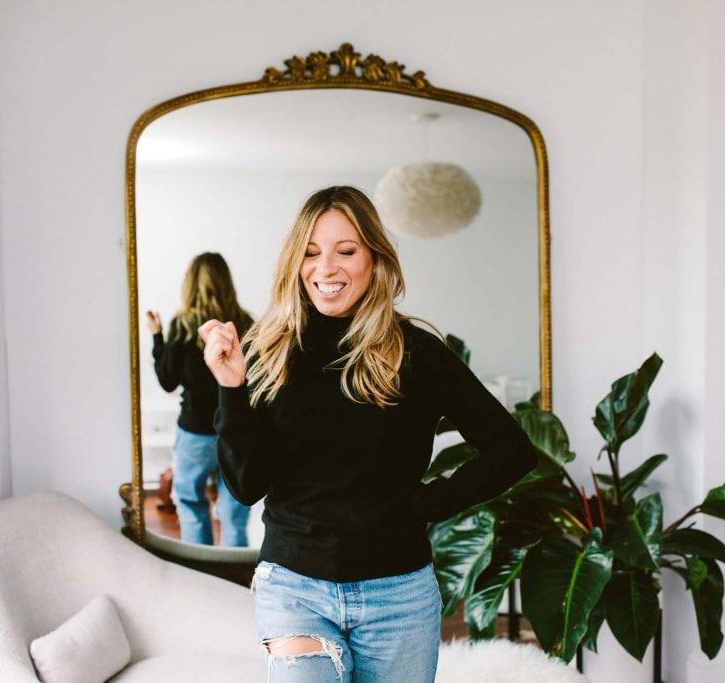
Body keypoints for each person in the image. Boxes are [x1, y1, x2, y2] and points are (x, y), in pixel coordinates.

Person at [198, 186, 539, 682]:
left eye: (346, 251)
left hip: (398, 595)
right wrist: (231, 388)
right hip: (295, 587)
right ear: (295, 262)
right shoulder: (268, 351)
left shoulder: (417, 354)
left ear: (374, 260)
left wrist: (428, 503)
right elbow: (246, 486)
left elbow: (512, 450)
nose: (326, 268)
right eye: (310, 253)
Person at [145, 252, 254, 546]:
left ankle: (199, 567)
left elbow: (167, 381)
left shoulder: (182, 325)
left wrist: (157, 337)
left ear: (190, 283)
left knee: (191, 503)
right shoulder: (244, 323)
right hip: (236, 430)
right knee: (234, 511)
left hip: (195, 433)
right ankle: (233, 569)